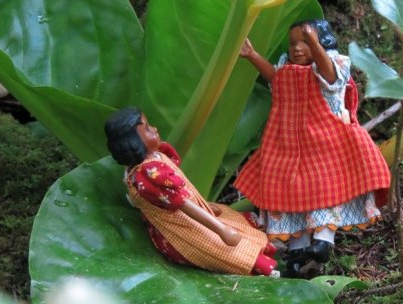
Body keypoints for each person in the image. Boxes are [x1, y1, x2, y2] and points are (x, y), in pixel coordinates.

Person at [235, 19, 391, 277]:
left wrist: (315, 44)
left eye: (305, 42)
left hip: (324, 145)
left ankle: (322, 241)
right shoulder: (287, 69)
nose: (298, 48)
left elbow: (329, 75)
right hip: (285, 145)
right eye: (294, 43)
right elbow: (276, 80)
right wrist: (252, 55)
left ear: (322, 42)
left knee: (324, 193)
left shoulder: (332, 65)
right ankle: (297, 253)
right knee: (288, 197)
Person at [104, 107, 278, 276]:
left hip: (190, 215)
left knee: (238, 225)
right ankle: (266, 271)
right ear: (133, 143)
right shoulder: (149, 174)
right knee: (228, 251)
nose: (155, 129)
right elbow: (182, 204)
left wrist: (205, 206)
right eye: (147, 129)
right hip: (182, 228)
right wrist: (221, 230)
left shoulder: (152, 160)